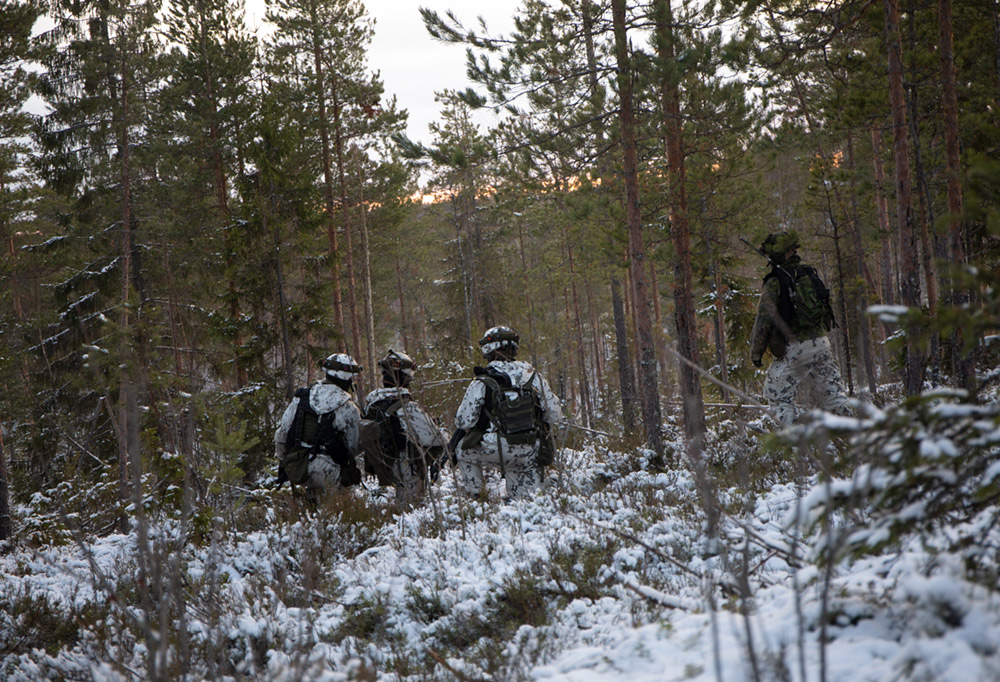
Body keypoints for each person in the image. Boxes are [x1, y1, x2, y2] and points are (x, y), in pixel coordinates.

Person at [749, 231, 849, 427]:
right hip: (822, 343)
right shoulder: (808, 274)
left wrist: (756, 352)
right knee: (833, 395)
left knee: (778, 393)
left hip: (796, 347)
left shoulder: (775, 282)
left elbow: (763, 321)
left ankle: (783, 437)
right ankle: (855, 431)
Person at [452, 326, 562, 500]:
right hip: (531, 450)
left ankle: (478, 499)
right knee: (529, 503)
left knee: (462, 450)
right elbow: (555, 415)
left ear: (488, 350)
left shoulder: (482, 381)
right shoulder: (533, 376)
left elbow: (463, 422)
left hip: (498, 449)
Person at [273, 353, 363, 501]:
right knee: (342, 510)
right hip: (330, 471)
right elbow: (354, 446)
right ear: (348, 378)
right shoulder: (348, 407)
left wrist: (284, 462)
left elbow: (281, 435)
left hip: (298, 467)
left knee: (311, 510)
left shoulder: (302, 398)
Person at [361, 349, 446, 506]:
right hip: (405, 467)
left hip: (379, 465)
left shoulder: (371, 404)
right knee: (411, 510)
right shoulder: (409, 406)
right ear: (405, 377)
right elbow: (437, 440)